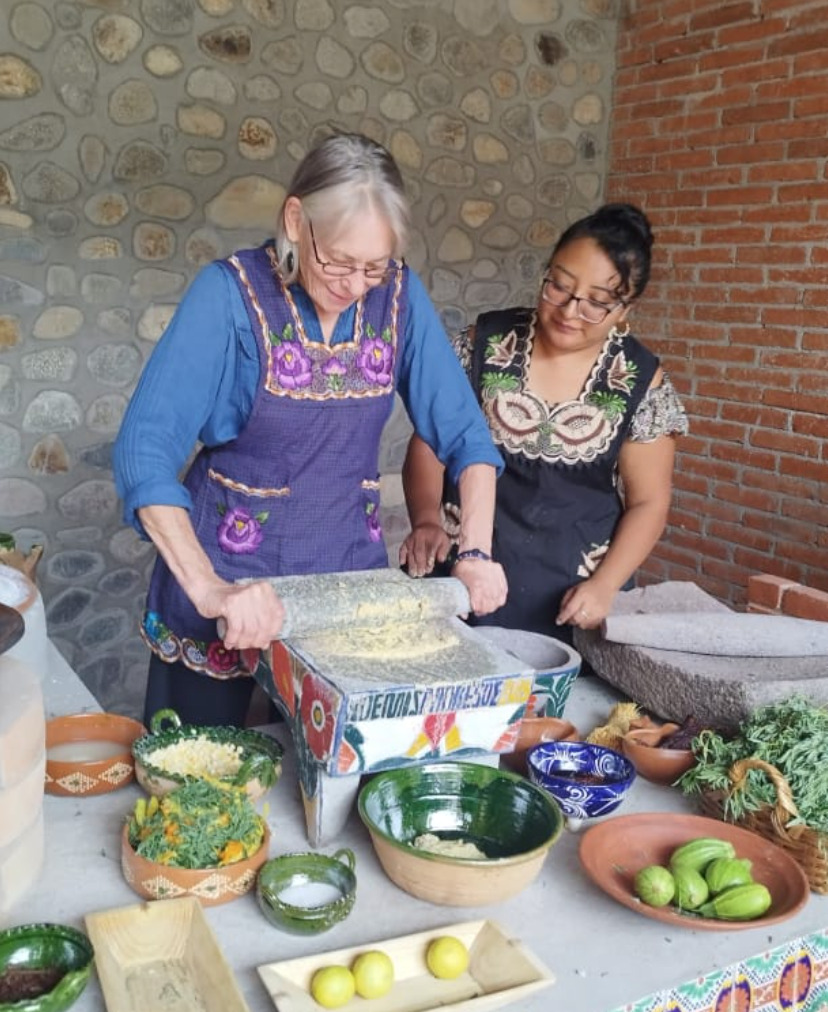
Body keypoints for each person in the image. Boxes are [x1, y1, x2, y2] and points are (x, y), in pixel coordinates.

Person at [114, 132, 507, 727]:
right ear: (296, 220)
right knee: (201, 781)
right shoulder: (229, 295)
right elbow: (144, 453)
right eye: (340, 262)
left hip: (347, 588)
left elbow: (467, 438)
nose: (355, 286)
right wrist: (213, 590)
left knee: (334, 782)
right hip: (230, 583)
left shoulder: (397, 297)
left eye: (373, 267)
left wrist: (476, 551)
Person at [400, 202, 688, 644]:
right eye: (559, 286)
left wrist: (606, 584)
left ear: (625, 308)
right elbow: (428, 444)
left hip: (568, 596)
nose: (570, 311)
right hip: (461, 574)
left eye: (597, 303)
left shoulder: (639, 380)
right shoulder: (485, 344)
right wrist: (425, 520)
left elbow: (649, 502)